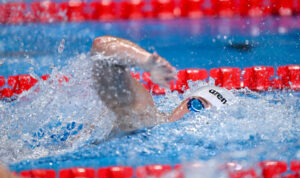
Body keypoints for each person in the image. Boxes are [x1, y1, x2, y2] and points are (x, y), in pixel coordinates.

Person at [91, 36, 235, 138]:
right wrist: (147, 62)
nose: (197, 117)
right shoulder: (145, 115)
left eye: (208, 118)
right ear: (184, 102)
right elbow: (101, 47)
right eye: (197, 105)